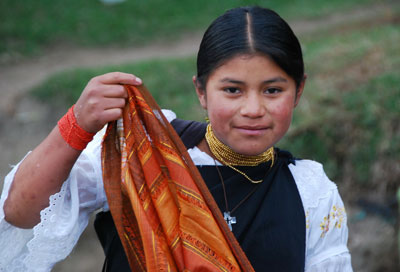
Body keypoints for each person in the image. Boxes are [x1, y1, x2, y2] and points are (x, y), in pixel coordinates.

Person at [0, 6, 352, 272]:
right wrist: (77, 123)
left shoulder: (311, 193)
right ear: (201, 91)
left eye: (273, 90)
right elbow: (20, 212)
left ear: (299, 90)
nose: (253, 109)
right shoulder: (143, 153)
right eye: (232, 90)